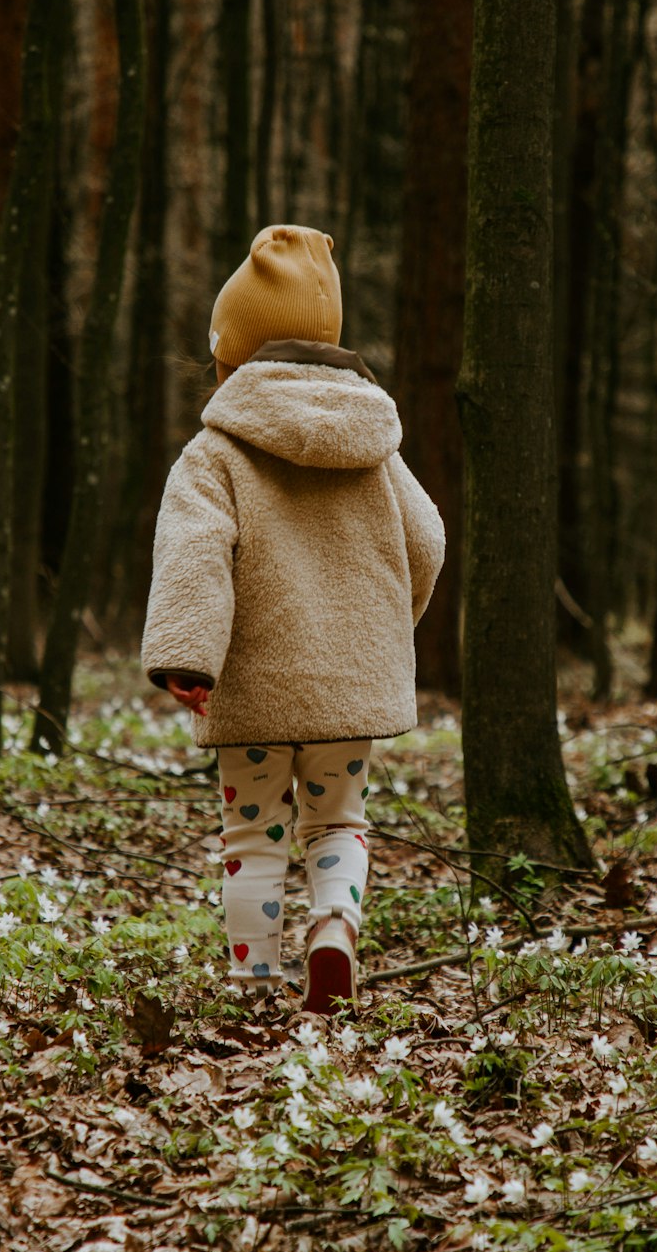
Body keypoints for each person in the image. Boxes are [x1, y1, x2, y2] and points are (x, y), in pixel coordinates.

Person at [141, 225, 445, 1014]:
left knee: (253, 833)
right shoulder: (377, 444)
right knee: (338, 819)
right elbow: (427, 540)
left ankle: (252, 981)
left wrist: (188, 657)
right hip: (349, 680)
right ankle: (335, 929)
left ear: (232, 352)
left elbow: (193, 553)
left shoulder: (216, 451)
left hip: (253, 683)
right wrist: (388, 626)